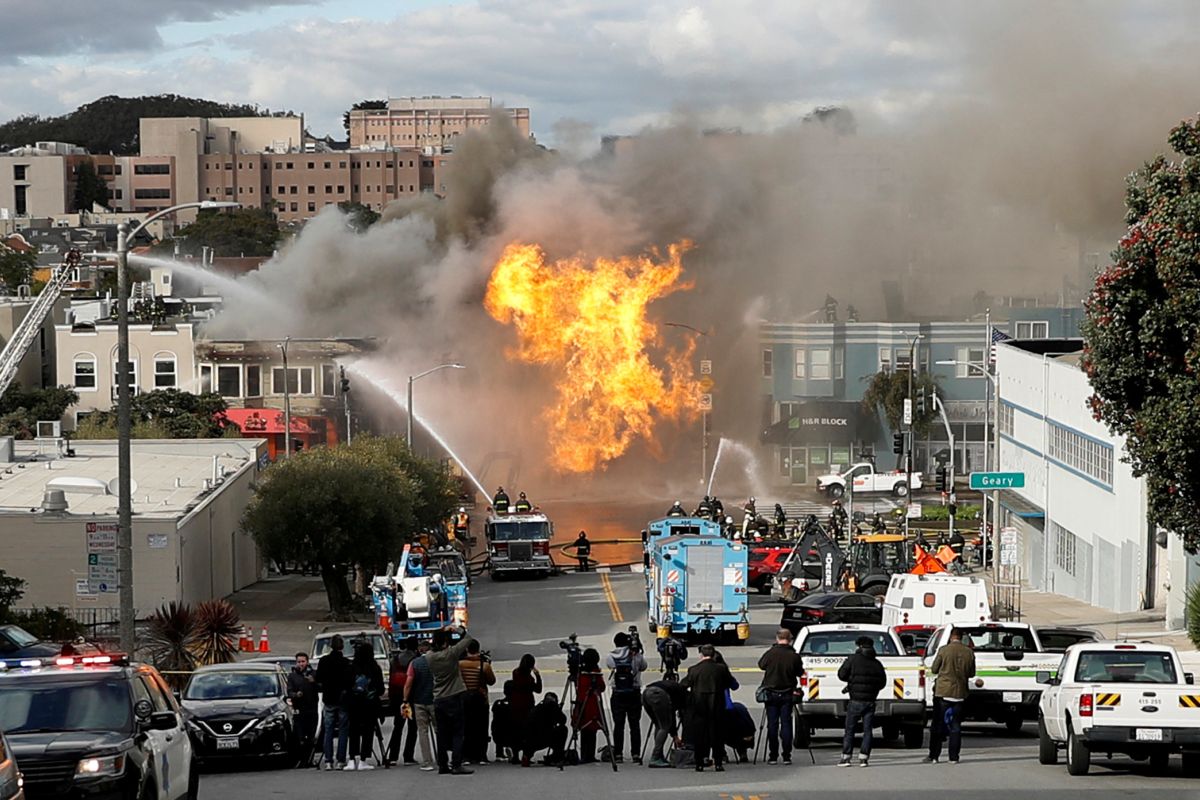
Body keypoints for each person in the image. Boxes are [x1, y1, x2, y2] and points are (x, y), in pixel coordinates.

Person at [426, 626, 476, 775]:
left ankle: (442, 764)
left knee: (441, 733)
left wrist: (441, 632)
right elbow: (468, 639)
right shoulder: (451, 653)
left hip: (439, 698)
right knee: (457, 732)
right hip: (454, 695)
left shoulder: (429, 657)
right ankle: (456, 763)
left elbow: (432, 646)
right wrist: (456, 630)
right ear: (446, 643)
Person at [925, 628, 976, 764]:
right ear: (961, 637)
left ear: (951, 637)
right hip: (960, 693)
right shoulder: (969, 652)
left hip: (943, 692)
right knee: (956, 726)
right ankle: (953, 757)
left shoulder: (943, 650)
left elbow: (934, 669)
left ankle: (934, 755)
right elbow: (971, 673)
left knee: (937, 724)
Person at [681, 643, 734, 772]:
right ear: (713, 654)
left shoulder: (694, 669)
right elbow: (730, 683)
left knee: (700, 734)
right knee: (717, 734)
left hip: (699, 706)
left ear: (701, 655)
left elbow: (684, 684)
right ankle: (718, 762)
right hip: (717, 704)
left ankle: (700, 762)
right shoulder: (721, 669)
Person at [836, 636, 888, 767]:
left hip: (855, 700)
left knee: (850, 730)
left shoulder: (852, 660)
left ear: (859, 646)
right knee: (868, 730)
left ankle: (846, 757)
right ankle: (864, 758)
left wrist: (851, 681)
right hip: (870, 701)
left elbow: (841, 675)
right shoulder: (877, 663)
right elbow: (883, 683)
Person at [757, 628, 804, 765]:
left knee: (772, 725)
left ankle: (773, 755)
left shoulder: (771, 653)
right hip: (788, 693)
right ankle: (787, 755)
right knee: (786, 724)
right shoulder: (794, 656)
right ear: (790, 640)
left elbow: (761, 665)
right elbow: (800, 672)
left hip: (771, 693)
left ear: (777, 639)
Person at [604, 632, 648, 764]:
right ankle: (635, 754)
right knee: (634, 725)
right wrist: (637, 652)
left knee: (619, 725)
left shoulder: (611, 656)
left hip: (618, 693)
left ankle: (618, 754)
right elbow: (644, 667)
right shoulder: (636, 655)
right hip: (634, 692)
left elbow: (610, 666)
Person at [315, 634, 353, 770]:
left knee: (328, 729)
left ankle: (328, 760)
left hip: (329, 697)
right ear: (342, 646)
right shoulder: (346, 663)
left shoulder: (324, 661)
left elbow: (318, 678)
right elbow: (350, 681)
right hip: (342, 698)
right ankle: (341, 760)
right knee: (343, 730)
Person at [346, 639, 384, 770]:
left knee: (353, 730)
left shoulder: (351, 667)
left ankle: (351, 759)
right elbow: (381, 689)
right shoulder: (374, 668)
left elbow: (346, 685)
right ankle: (363, 759)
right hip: (369, 704)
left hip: (353, 703)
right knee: (368, 731)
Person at [459, 639, 497, 765]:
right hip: (480, 699)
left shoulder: (459, 664)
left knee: (466, 728)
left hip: (464, 698)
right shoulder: (484, 665)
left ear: (466, 650)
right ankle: (481, 756)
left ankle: (466, 756)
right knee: (481, 727)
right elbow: (491, 681)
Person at [403, 640, 437, 771]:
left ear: (419, 650)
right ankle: (442, 758)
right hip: (434, 699)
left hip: (419, 701)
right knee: (438, 729)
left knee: (423, 731)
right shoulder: (436, 661)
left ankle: (427, 761)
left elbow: (408, 683)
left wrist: (405, 699)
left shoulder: (414, 663)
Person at [385, 637, 419, 766]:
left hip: (398, 697)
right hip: (411, 697)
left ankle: (393, 756)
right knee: (412, 727)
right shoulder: (415, 660)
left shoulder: (396, 659)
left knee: (398, 726)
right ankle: (408, 756)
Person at [642, 676, 687, 768]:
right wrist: (675, 736)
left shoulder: (676, 688)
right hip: (658, 695)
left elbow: (671, 713)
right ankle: (655, 757)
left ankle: (659, 756)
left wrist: (674, 736)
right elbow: (672, 715)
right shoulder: (684, 696)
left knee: (659, 725)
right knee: (664, 726)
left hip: (646, 693)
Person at [572, 648, 606, 763]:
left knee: (584, 729)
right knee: (593, 729)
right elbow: (602, 687)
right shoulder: (595, 672)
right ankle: (590, 755)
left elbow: (578, 687)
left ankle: (584, 755)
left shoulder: (580, 673)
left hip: (582, 704)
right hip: (594, 704)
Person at [286, 652, 319, 764]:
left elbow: (321, 687)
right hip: (299, 710)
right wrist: (296, 695)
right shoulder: (292, 676)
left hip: (312, 709)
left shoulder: (313, 674)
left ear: (307, 662)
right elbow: (289, 691)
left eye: (303, 661)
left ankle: (309, 759)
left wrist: (314, 682)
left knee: (311, 736)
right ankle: (300, 759)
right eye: (299, 662)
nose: (301, 664)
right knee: (300, 736)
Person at [509, 654, 542, 763]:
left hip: (515, 704)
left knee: (516, 730)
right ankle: (526, 755)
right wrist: (538, 676)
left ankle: (515, 755)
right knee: (527, 731)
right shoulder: (529, 679)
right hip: (527, 705)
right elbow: (538, 689)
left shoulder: (515, 673)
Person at [522, 693, 568, 766]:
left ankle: (527, 756)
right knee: (563, 730)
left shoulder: (537, 707)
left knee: (531, 739)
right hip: (544, 737)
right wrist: (558, 710)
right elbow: (563, 720)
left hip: (529, 740)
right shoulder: (552, 706)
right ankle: (557, 756)